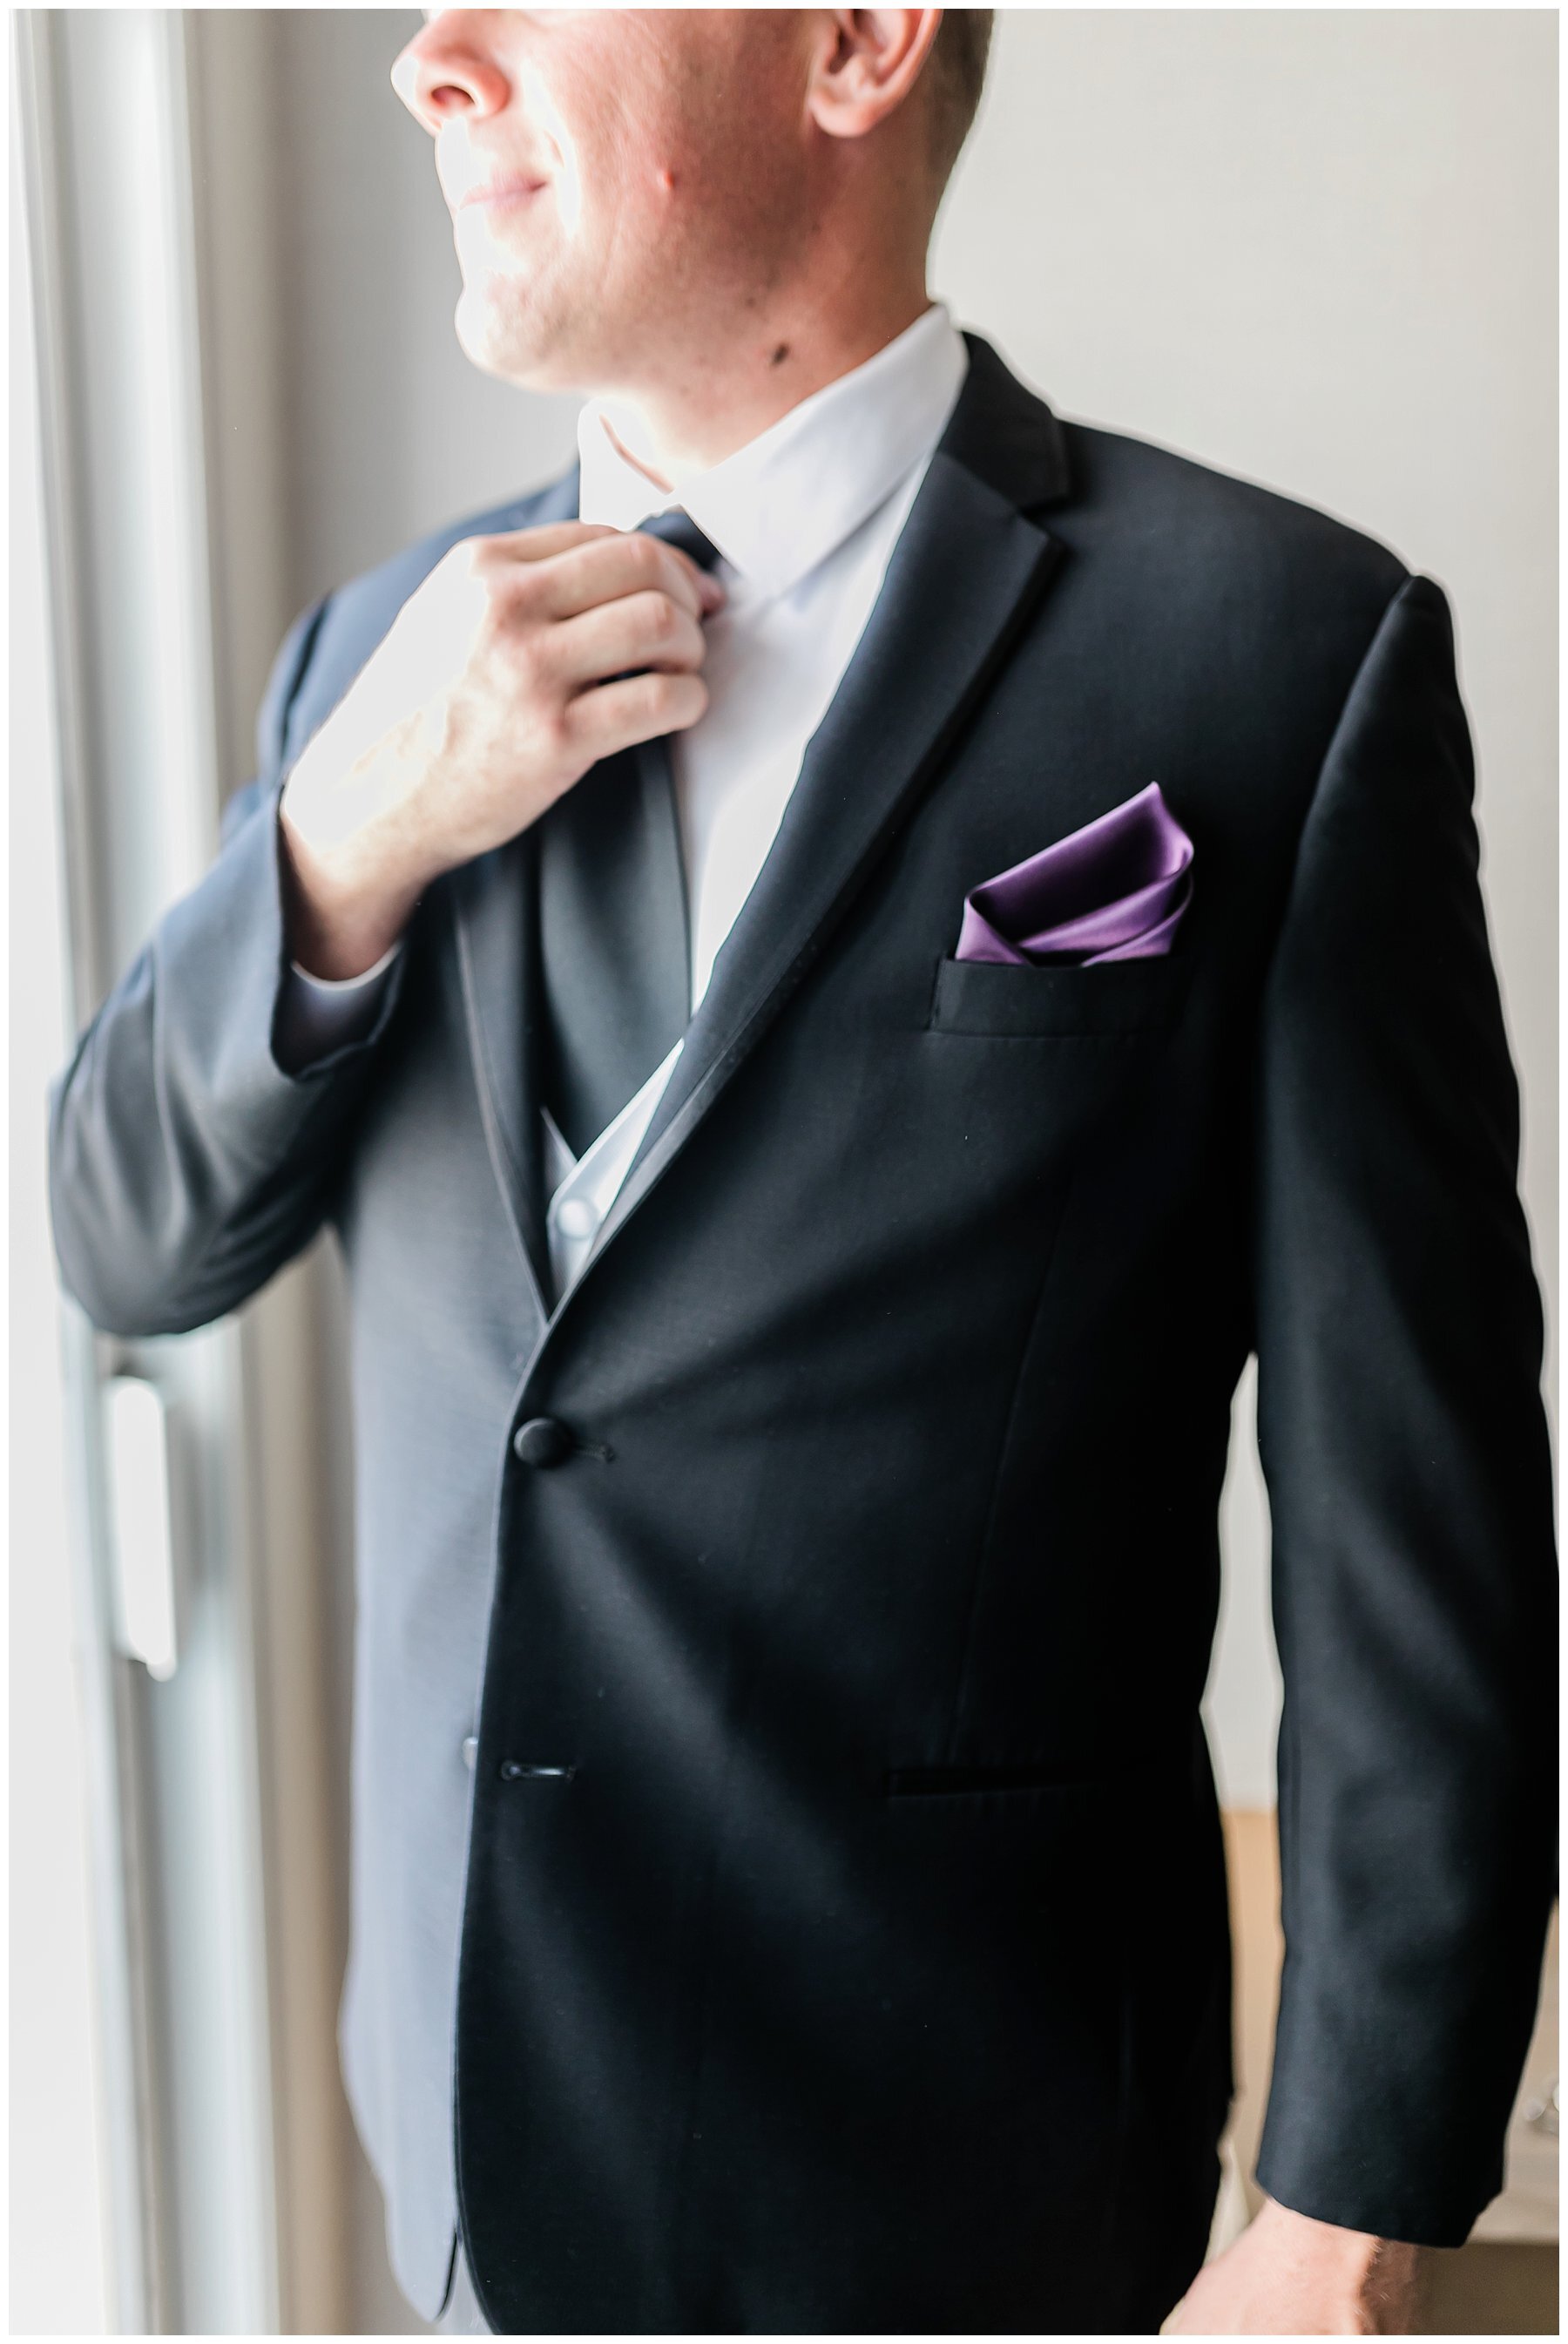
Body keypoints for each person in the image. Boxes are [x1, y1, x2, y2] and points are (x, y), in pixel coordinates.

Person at [48, 10, 1555, 2334]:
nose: (430, 60)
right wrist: (341, 846)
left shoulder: (1273, 655)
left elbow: (1418, 1526)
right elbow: (127, 1235)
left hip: (994, 2198)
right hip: (462, 2187)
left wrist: (1347, 2216)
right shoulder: (370, 662)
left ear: (854, 41)